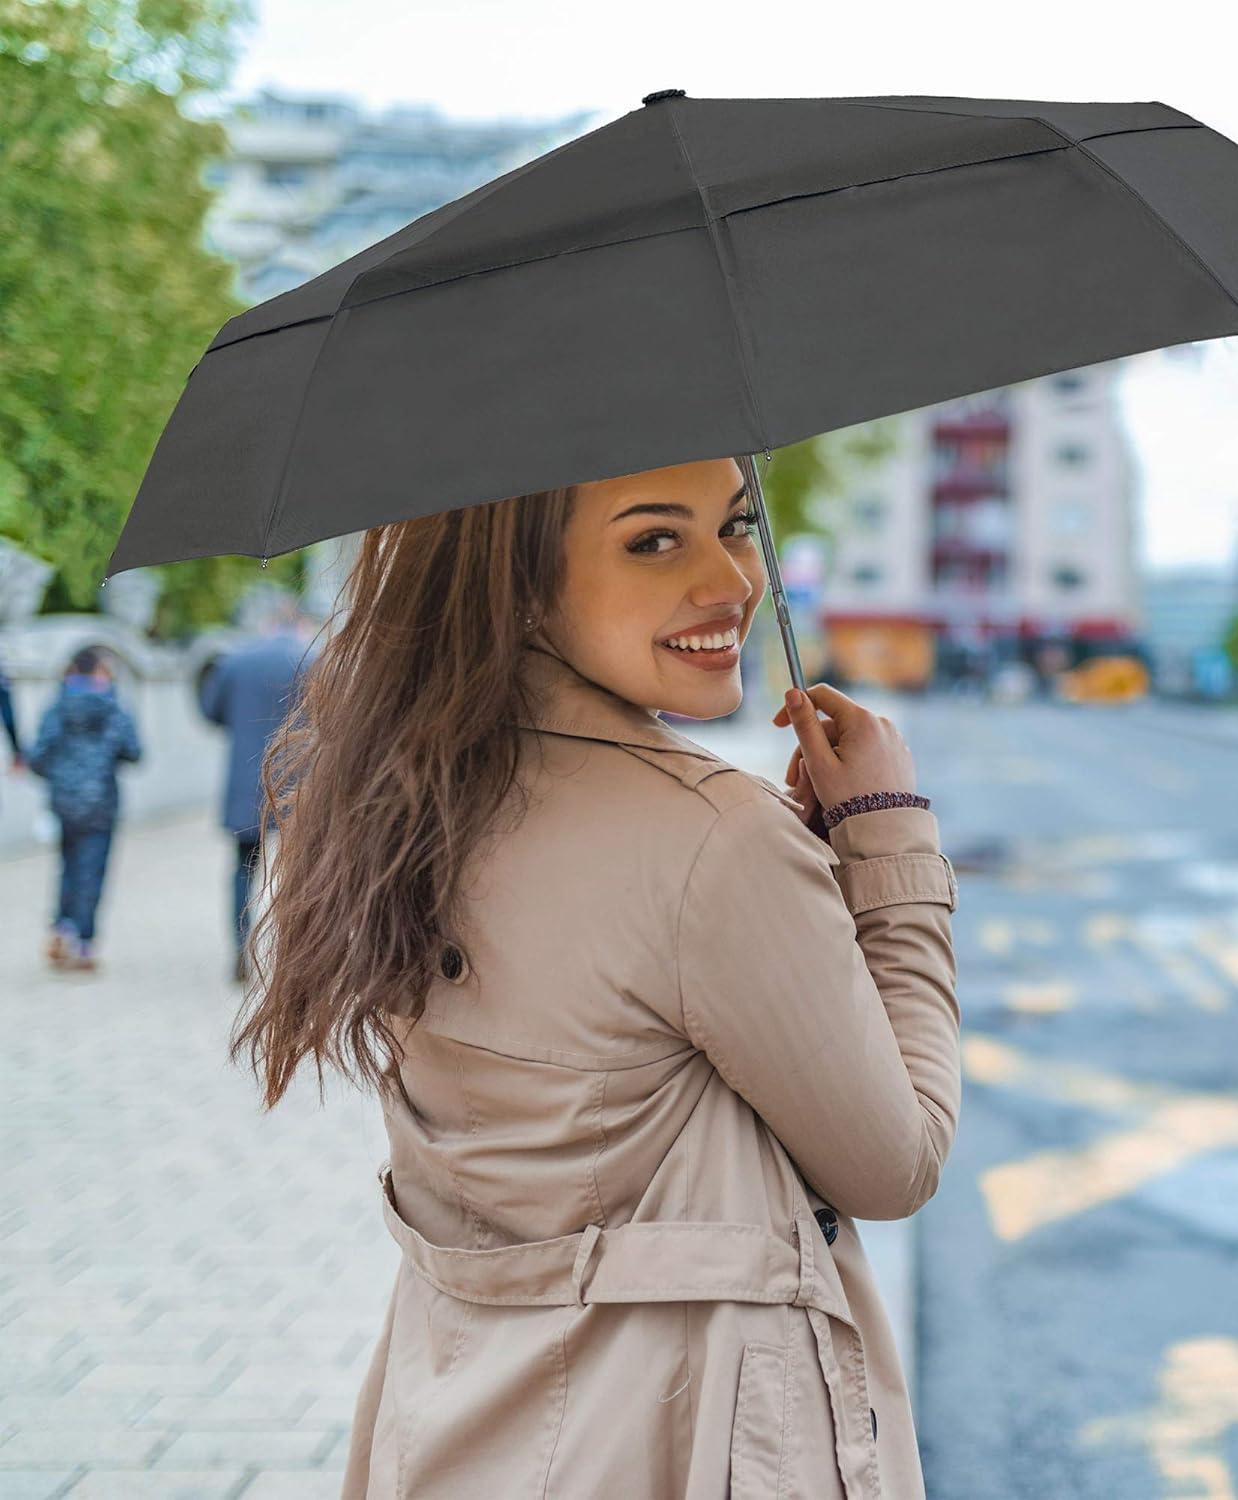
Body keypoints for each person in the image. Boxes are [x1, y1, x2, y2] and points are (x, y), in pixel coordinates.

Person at [227, 456, 961, 1499]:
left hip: (454, 1430)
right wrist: (885, 843)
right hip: (672, 1444)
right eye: (654, 540)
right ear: (521, 581)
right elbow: (899, 1166)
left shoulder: (393, 805)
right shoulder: (713, 841)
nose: (731, 580)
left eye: (736, 524)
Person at [198, 600, 314, 983]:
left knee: (243, 866)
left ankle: (239, 944)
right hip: (297, 780)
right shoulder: (313, 659)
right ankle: (294, 952)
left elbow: (210, 711)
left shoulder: (235, 660)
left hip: (246, 779)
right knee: (299, 870)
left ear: (267, 624)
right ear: (299, 623)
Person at [27, 647, 142, 972]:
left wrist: (62, 778)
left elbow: (38, 756)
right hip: (101, 803)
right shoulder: (113, 707)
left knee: (68, 866)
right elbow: (134, 751)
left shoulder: (57, 707)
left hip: (64, 803)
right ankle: (82, 942)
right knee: (92, 870)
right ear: (99, 673)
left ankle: (62, 926)